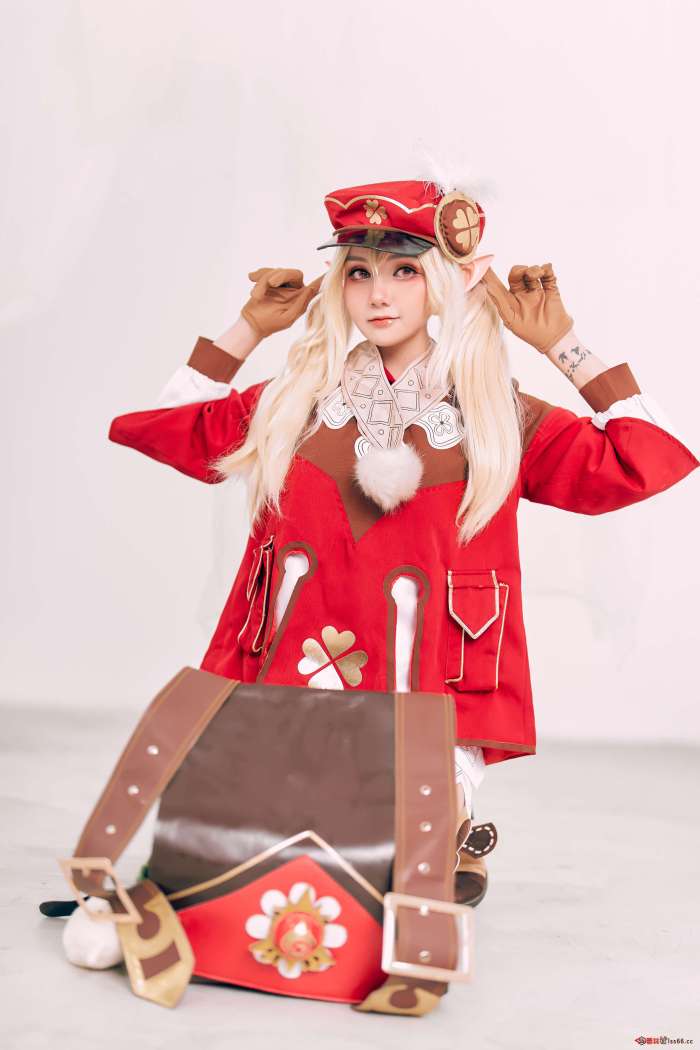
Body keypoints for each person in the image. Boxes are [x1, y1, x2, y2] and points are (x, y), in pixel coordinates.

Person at [64, 178, 699, 970]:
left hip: (426, 711)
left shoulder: (496, 414)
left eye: (403, 271)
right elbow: (166, 429)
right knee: (245, 877)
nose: (378, 294)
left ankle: (442, 844)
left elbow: (647, 459)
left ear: (443, 283)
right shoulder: (295, 402)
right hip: (283, 705)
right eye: (359, 272)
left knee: (351, 899)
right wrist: (247, 329)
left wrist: (564, 345)